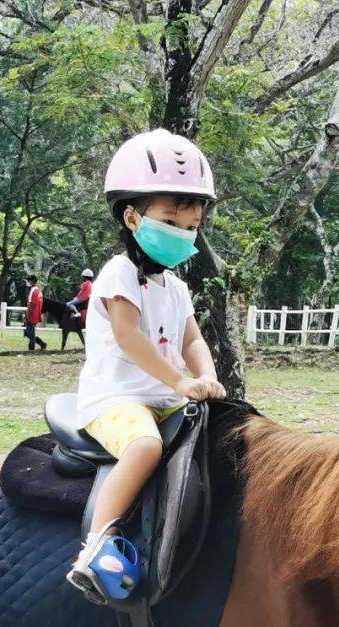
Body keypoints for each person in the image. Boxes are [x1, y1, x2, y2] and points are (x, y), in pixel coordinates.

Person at [67, 129, 227, 600]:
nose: (183, 233)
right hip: (117, 399)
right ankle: (94, 547)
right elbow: (128, 337)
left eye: (192, 225)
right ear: (133, 217)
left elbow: (192, 338)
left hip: (164, 397)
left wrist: (207, 377)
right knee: (143, 448)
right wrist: (179, 378)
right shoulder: (119, 274)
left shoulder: (176, 287)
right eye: (171, 220)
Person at [24, 274, 47, 351]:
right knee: (27, 332)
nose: (27, 282)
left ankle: (32, 349)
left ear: (32, 281)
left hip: (31, 315)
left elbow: (31, 304)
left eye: (28, 280)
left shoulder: (33, 291)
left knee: (30, 334)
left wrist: (26, 316)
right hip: (36, 314)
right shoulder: (39, 291)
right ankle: (42, 344)